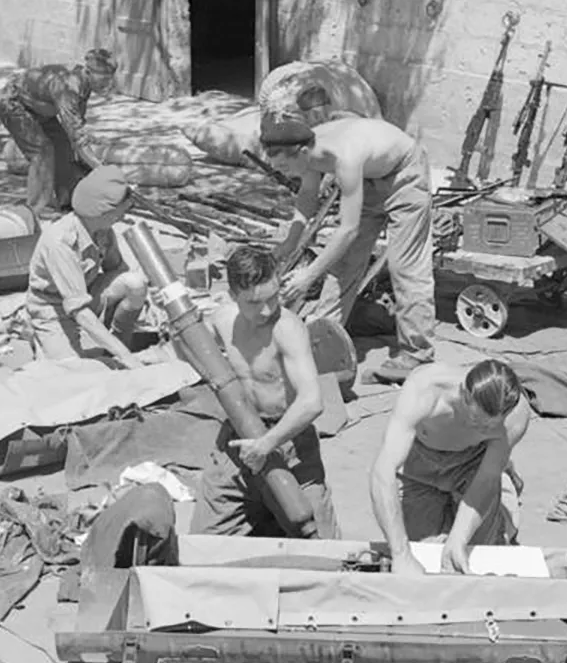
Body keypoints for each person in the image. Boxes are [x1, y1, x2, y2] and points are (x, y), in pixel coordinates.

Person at [264, 113, 435, 385]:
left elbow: (348, 230)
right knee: (343, 266)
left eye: (285, 166)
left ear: (303, 152)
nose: (284, 173)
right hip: (367, 178)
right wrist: (289, 242)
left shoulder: (345, 156)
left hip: (404, 174)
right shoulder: (305, 145)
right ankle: (320, 340)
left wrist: (308, 275)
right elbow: (308, 196)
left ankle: (417, 353)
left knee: (405, 268)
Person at [190, 245, 340, 539]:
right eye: (254, 303)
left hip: (289, 439)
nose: (267, 310)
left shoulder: (287, 328)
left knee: (323, 546)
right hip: (238, 438)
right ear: (234, 296)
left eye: (273, 297)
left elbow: (311, 402)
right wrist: (175, 325)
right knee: (201, 545)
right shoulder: (222, 320)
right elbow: (191, 358)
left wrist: (267, 444)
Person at [369, 359, 531, 575]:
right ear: (464, 393)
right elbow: (383, 473)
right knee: (422, 553)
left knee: (478, 556)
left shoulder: (516, 417)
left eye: (490, 426)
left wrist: (458, 540)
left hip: (473, 463)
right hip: (419, 464)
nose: (483, 428)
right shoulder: (425, 388)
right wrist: (401, 554)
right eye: (477, 420)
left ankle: (504, 504)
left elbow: (486, 479)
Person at [24, 165, 149, 366]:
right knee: (72, 369)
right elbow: (79, 310)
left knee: (135, 283)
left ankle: (118, 340)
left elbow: (118, 271)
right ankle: (40, 338)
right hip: (53, 310)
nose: (124, 216)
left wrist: (152, 297)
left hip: (86, 295)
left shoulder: (102, 229)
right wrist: (127, 357)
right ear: (102, 211)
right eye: (121, 211)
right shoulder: (60, 242)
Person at [0, 47, 118, 216]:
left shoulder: (84, 84)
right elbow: (78, 136)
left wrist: (88, 152)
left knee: (63, 145)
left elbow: (76, 125)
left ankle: (67, 201)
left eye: (110, 78)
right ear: (89, 72)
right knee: (42, 151)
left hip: (39, 109)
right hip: (13, 103)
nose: (108, 84)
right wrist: (101, 169)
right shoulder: (69, 87)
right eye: (103, 78)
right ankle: (35, 209)